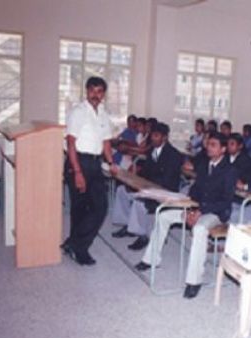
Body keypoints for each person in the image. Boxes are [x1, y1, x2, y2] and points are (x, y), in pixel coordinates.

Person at [135, 132, 237, 299]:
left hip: (216, 213)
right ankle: (151, 259)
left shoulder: (230, 170)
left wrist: (200, 211)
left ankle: (194, 281)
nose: (208, 148)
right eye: (208, 144)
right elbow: (195, 190)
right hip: (196, 208)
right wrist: (190, 209)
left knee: (200, 229)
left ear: (223, 149)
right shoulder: (205, 164)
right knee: (164, 216)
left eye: (213, 145)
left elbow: (225, 202)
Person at [63, 77, 117, 266]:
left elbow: (106, 142)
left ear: (104, 94)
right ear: (86, 91)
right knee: (80, 208)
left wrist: (111, 163)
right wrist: (77, 172)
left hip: (95, 164)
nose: (96, 95)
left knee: (100, 207)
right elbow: (70, 142)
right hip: (78, 161)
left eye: (100, 91)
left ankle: (73, 243)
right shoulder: (78, 112)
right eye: (93, 91)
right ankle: (79, 248)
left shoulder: (102, 113)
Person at [112, 122, 183, 250]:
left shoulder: (173, 155)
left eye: (156, 136)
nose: (152, 138)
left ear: (164, 137)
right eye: (152, 136)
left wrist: (143, 185)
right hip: (150, 187)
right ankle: (128, 225)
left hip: (166, 191)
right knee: (122, 190)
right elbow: (146, 171)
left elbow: (167, 180)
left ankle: (142, 235)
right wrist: (134, 179)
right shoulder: (152, 151)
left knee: (139, 202)